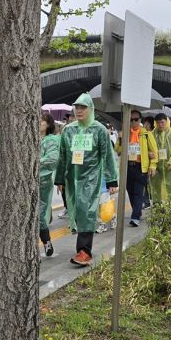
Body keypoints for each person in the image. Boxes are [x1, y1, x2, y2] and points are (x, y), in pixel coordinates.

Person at [54, 93, 118, 267]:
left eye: (83, 107)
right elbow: (62, 155)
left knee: (87, 212)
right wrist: (59, 178)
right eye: (77, 107)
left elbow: (107, 157)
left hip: (91, 178)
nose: (79, 110)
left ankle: (84, 251)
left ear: (91, 109)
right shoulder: (69, 130)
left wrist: (112, 180)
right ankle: (81, 247)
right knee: (75, 211)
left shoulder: (99, 130)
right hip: (71, 178)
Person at [115, 110, 157, 227]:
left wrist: (152, 165)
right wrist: (120, 139)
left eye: (136, 119)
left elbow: (154, 152)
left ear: (140, 120)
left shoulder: (146, 134)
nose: (133, 122)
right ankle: (137, 211)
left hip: (140, 167)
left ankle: (135, 216)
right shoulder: (124, 134)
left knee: (138, 192)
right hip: (127, 167)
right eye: (131, 119)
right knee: (130, 191)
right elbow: (117, 151)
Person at [150, 113, 171, 203]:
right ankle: (158, 209)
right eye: (158, 123)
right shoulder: (152, 134)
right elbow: (149, 149)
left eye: (162, 122)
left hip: (170, 168)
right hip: (156, 168)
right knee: (156, 189)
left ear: (167, 121)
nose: (160, 125)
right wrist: (152, 163)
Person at [39, 113, 60, 255]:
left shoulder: (51, 140)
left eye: (42, 120)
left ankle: (46, 241)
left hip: (43, 181)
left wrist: (34, 162)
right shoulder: (30, 138)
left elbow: (52, 158)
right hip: (27, 182)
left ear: (48, 124)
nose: (39, 122)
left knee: (39, 214)